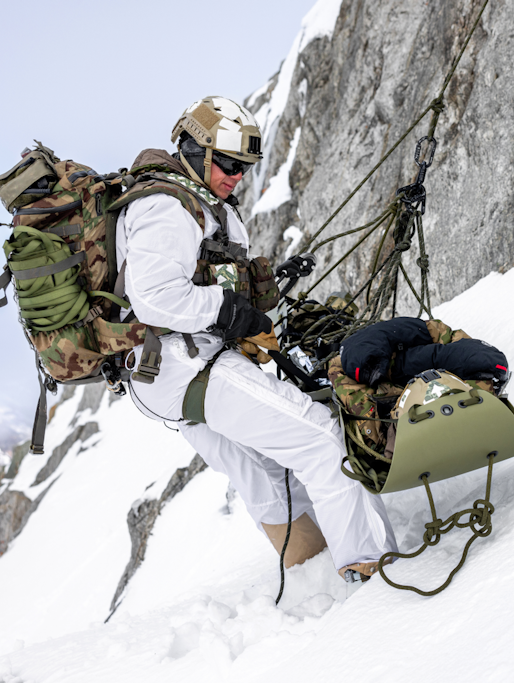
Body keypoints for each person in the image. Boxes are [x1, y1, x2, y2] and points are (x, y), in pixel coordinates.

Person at [113, 96, 396, 582]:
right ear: (195, 149)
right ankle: (369, 565)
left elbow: (204, 278)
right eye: (228, 163)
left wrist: (245, 304)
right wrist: (230, 313)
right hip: (184, 364)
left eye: (244, 166)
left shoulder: (199, 201)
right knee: (322, 438)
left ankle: (310, 571)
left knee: (265, 472)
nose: (237, 175)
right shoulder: (166, 206)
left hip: (162, 373)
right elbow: (155, 297)